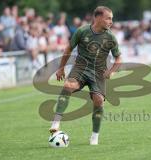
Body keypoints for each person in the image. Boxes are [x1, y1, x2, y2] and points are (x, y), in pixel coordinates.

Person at [49, 6, 122, 145]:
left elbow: (118, 58)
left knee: (99, 101)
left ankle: (94, 136)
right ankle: (56, 121)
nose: (111, 22)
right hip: (81, 68)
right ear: (98, 18)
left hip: (98, 72)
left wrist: (111, 71)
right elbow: (68, 48)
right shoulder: (82, 31)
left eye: (111, 19)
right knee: (68, 85)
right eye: (108, 18)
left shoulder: (111, 37)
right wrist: (61, 68)